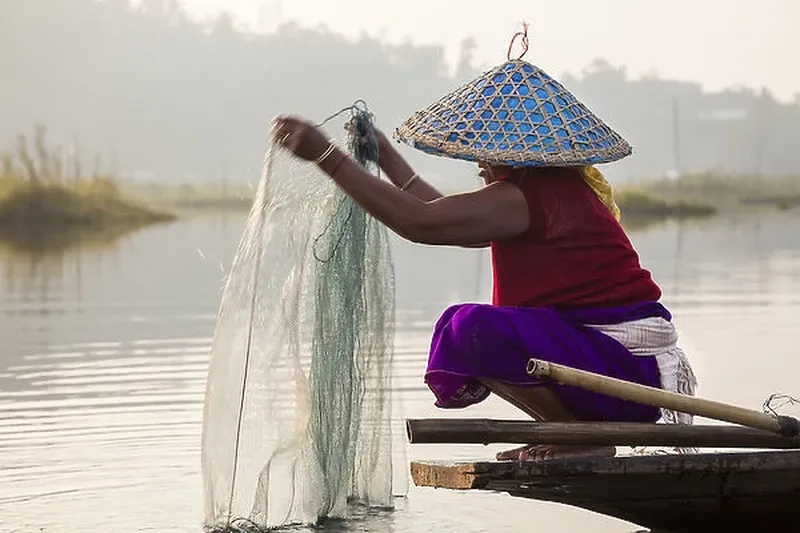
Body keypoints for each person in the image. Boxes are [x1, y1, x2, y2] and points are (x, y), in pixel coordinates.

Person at [272, 52, 697, 463]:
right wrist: (384, 156)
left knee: (472, 329)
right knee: (458, 329)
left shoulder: (533, 193)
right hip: (608, 366)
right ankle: (570, 430)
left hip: (628, 374)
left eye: (483, 156)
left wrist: (326, 157)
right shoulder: (543, 189)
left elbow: (421, 224)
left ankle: (577, 435)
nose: (480, 164)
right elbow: (445, 218)